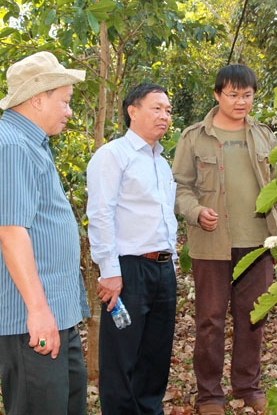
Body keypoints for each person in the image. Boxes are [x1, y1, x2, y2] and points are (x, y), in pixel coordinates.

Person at [0, 51, 90, 415]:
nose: (70, 111)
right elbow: (11, 233)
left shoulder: (30, 144)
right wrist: (37, 311)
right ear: (38, 99)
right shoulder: (10, 147)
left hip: (52, 309)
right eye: (64, 101)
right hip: (28, 317)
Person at [172, 64, 277, 415]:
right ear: (217, 94)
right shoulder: (194, 137)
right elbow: (179, 187)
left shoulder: (264, 136)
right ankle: (209, 395)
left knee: (253, 317)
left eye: (247, 95)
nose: (241, 102)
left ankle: (247, 386)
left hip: (258, 244)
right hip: (212, 245)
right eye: (233, 94)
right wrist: (195, 211)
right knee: (210, 321)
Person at [86, 82, 178, 414]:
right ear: (133, 111)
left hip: (163, 270)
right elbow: (100, 214)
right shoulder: (113, 155)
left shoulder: (162, 163)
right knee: (121, 358)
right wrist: (109, 272)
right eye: (156, 108)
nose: (164, 116)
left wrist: (172, 264)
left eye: (168, 110)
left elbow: (164, 218)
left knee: (155, 357)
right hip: (128, 271)